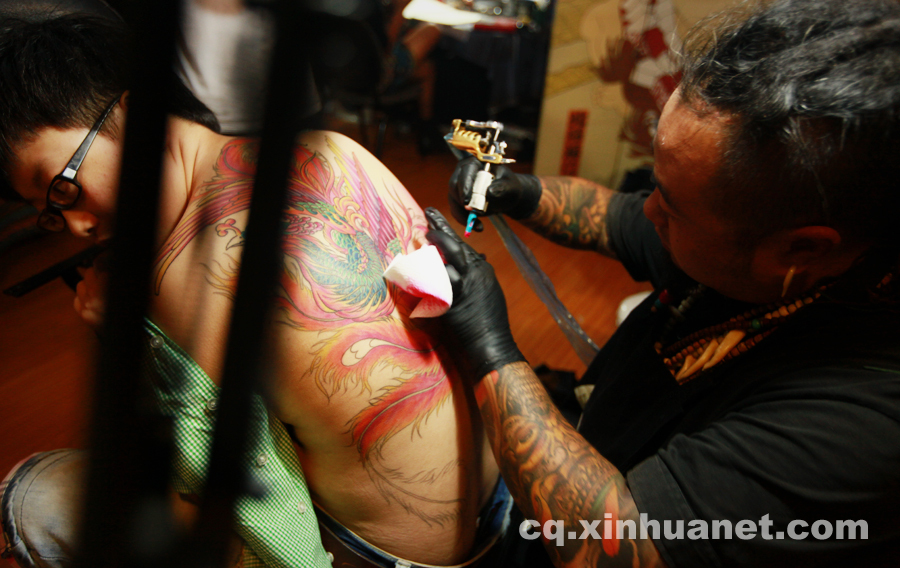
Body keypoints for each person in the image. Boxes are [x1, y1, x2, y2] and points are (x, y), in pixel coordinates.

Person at [0, 8, 506, 568]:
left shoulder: (177, 284)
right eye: (49, 213)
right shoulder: (333, 148)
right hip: (500, 507)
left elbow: (237, 523)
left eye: (62, 188)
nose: (75, 227)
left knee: (31, 492)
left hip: (381, 558)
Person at [431, 0, 900, 566]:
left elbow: (617, 547)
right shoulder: (753, 242)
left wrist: (489, 349)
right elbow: (615, 217)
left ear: (799, 250)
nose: (650, 210)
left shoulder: (858, 427)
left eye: (672, 209)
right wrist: (519, 192)